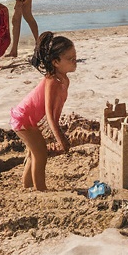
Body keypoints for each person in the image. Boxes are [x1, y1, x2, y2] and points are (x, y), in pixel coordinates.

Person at [10, 33, 77, 191]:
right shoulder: (52, 81)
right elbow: (49, 113)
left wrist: (54, 133)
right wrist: (60, 138)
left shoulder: (64, 80)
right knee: (40, 155)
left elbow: (56, 111)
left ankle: (27, 187)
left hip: (31, 120)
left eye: (75, 57)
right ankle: (40, 189)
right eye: (70, 59)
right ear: (55, 62)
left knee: (34, 153)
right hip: (24, 119)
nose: (75, 61)